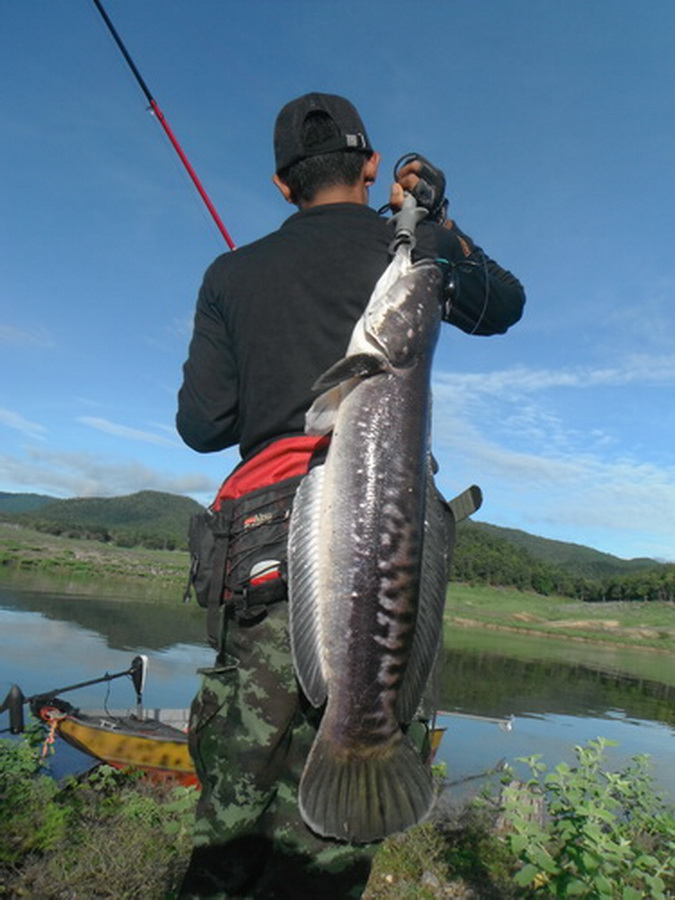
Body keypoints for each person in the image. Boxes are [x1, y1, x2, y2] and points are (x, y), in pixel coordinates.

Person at [176, 92, 525, 899]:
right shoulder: (412, 253)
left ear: (278, 184)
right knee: (323, 857)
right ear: (371, 167)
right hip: (391, 547)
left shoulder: (231, 273)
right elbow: (500, 305)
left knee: (232, 813)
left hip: (258, 555)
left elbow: (203, 425)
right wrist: (437, 219)